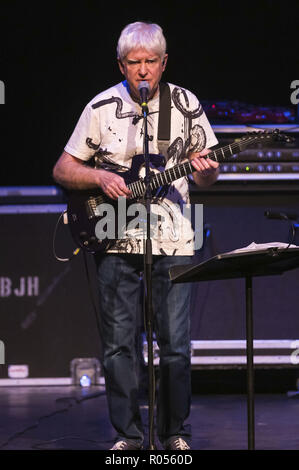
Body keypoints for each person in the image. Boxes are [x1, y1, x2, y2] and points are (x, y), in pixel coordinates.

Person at [53, 21, 219, 450]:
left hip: (176, 238)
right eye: (134, 63)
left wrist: (210, 169)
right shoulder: (102, 106)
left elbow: (207, 181)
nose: (143, 71)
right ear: (121, 65)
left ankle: (175, 434)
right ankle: (127, 435)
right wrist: (98, 177)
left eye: (150, 62)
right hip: (112, 236)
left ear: (164, 63)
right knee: (118, 346)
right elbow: (63, 169)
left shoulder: (187, 104)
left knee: (176, 346)